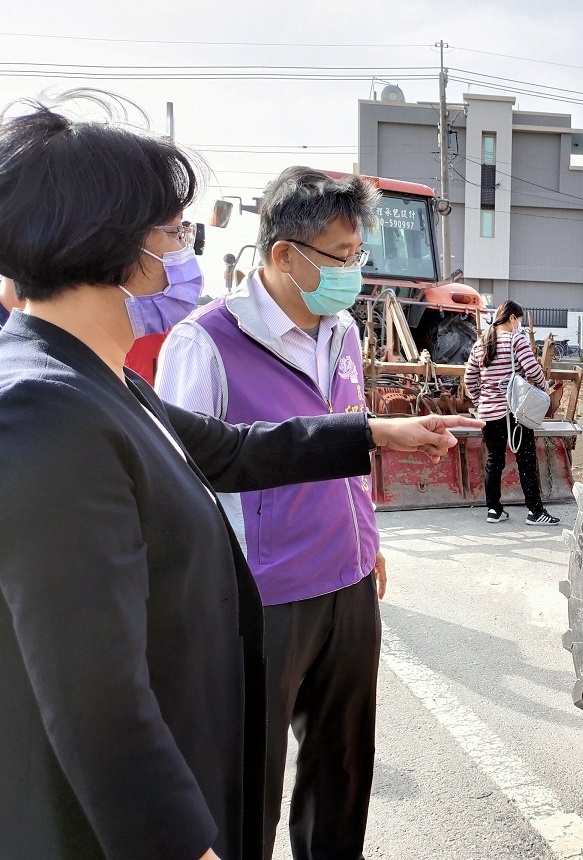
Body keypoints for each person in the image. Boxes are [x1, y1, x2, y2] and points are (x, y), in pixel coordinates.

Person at [0, 96, 482, 860]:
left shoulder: (103, 381)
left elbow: (228, 450)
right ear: (112, 243)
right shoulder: (41, 408)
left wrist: (375, 433)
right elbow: (95, 702)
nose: (181, 254)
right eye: (173, 232)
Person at [157, 167, 388, 860]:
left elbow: (349, 433)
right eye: (340, 257)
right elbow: (182, 485)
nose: (353, 273)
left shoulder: (343, 332)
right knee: (249, 781)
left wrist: (368, 537)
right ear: (284, 255)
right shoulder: (206, 344)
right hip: (262, 601)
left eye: (358, 257)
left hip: (348, 586)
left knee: (343, 769)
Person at [464, 299, 560, 525]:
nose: (520, 325)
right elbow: (532, 368)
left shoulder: (480, 343)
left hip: (488, 412)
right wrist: (545, 389)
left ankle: (494, 510)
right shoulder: (516, 339)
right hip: (514, 411)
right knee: (526, 460)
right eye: (519, 320)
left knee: (493, 461)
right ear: (512, 318)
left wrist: (480, 401)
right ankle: (535, 512)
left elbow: (469, 378)